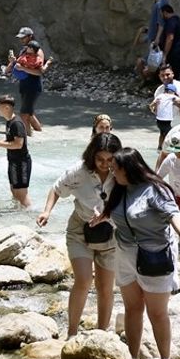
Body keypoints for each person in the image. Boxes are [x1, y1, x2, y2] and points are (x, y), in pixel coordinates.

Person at [89, 148, 180, 359]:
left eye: (115, 169)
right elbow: (116, 211)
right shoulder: (118, 188)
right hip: (125, 256)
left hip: (154, 255)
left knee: (157, 312)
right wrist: (102, 217)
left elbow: (173, 212)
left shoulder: (155, 190)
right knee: (132, 308)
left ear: (129, 169)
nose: (111, 172)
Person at [39, 133, 122, 338]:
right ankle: (72, 333)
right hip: (80, 230)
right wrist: (47, 211)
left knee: (105, 286)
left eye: (109, 160)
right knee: (83, 280)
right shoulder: (79, 171)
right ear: (92, 155)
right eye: (100, 159)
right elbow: (57, 189)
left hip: (111, 234)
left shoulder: (122, 171)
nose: (105, 164)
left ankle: (101, 335)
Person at [0, 94, 31, 207]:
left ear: (6, 108)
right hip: (13, 161)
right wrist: (1, 142)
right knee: (14, 190)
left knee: (21, 193)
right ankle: (17, 213)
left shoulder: (16, 123)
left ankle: (28, 215)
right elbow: (11, 139)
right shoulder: (9, 121)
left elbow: (18, 144)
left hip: (21, 162)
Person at [11, 30, 51, 132]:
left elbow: (39, 72)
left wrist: (23, 69)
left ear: (30, 37)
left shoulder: (38, 51)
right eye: (20, 38)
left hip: (33, 86)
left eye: (23, 37)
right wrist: (13, 61)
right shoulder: (25, 50)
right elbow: (20, 65)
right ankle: (39, 132)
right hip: (24, 84)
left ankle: (25, 136)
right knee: (29, 113)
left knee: (24, 113)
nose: (21, 40)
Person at [148, 65, 180, 149]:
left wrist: (176, 102)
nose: (165, 77)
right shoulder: (159, 90)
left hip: (179, 123)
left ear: (173, 74)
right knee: (163, 143)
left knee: (178, 147)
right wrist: (154, 108)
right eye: (162, 75)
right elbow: (153, 108)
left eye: (167, 74)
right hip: (164, 121)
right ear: (159, 77)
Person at [157, 4, 180, 75]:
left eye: (161, 14)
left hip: (174, 55)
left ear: (165, 12)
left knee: (169, 77)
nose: (161, 17)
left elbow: (170, 38)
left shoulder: (170, 22)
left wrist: (165, 55)